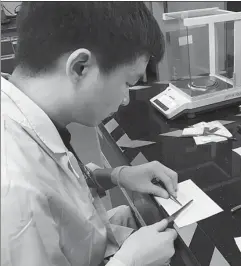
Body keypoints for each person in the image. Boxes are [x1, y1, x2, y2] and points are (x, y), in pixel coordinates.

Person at [1, 2, 178, 266]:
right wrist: (129, 263)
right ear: (80, 67)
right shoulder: (15, 191)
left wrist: (116, 175)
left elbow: (56, 181)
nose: (126, 99)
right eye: (127, 83)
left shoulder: (24, 111)